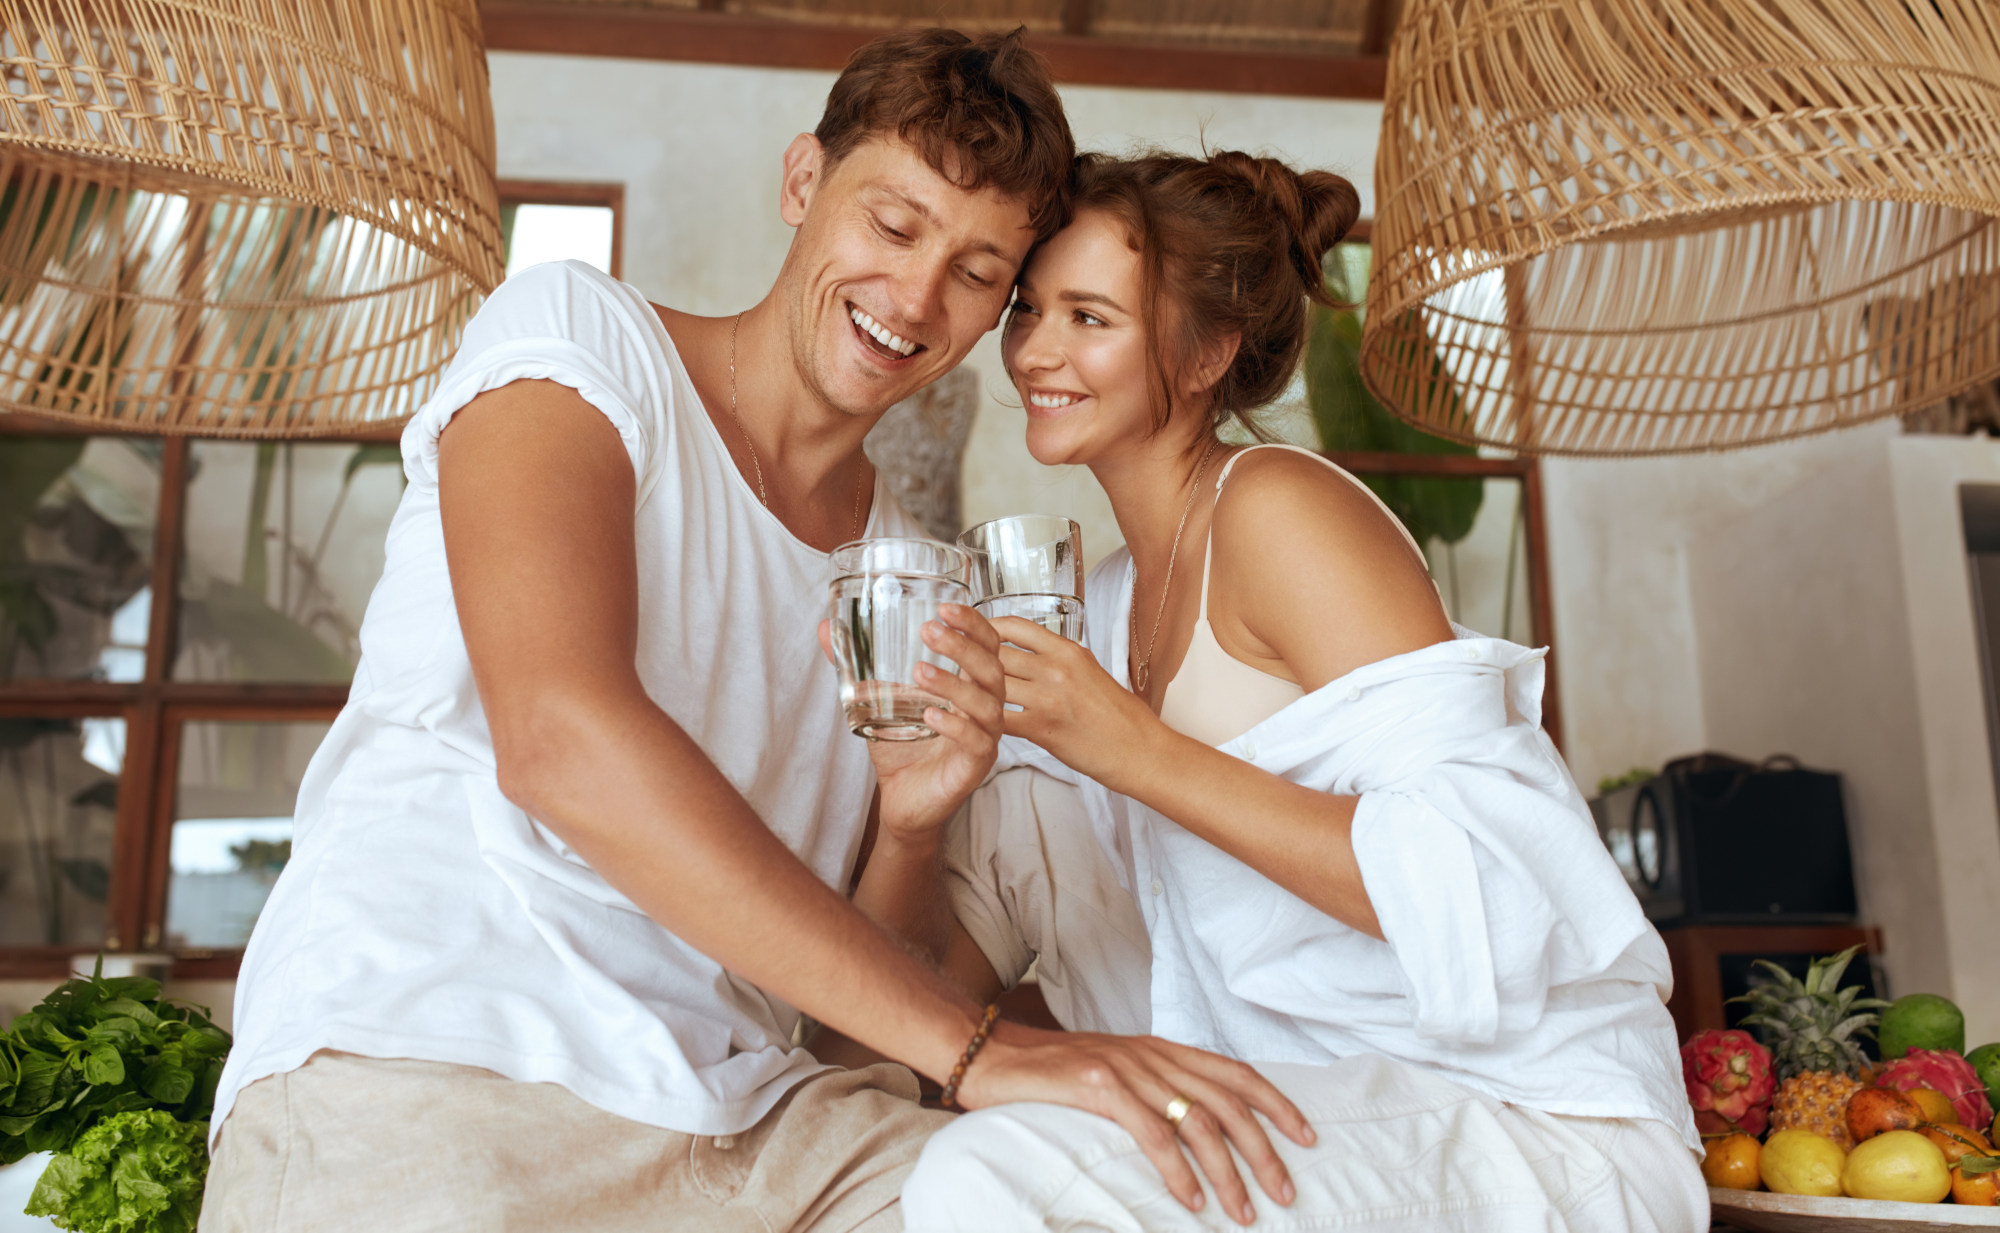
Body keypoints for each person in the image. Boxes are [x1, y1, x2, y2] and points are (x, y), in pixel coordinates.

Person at [198, 36, 1311, 1233]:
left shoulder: (906, 574)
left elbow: (845, 1029)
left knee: (1133, 1203)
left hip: (760, 1127)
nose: (914, 298)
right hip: (438, 1067)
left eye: (975, 270)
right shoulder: (579, 341)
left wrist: (909, 824)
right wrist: (980, 1046)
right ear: (801, 182)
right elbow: (559, 738)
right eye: (892, 226)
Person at [891, 150, 1708, 1230]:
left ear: (1208, 352)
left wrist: (1135, 750)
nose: (1035, 349)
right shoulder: (1094, 607)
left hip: (1528, 1122)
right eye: (1029, 309)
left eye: (1089, 316)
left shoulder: (1277, 513)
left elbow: (1489, 884)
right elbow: (908, 1023)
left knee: (987, 1175)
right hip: (1317, 1125)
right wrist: (908, 820)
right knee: (932, 1154)